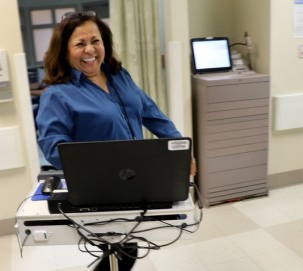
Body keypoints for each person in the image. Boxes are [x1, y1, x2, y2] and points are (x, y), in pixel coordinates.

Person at [36, 11, 196, 270]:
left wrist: (181, 151)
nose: (90, 50)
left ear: (105, 43)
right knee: (123, 250)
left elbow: (152, 114)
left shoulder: (120, 76)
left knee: (128, 247)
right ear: (64, 52)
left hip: (134, 178)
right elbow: (54, 147)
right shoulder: (58, 94)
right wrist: (93, 162)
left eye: (95, 41)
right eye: (79, 44)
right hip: (99, 186)